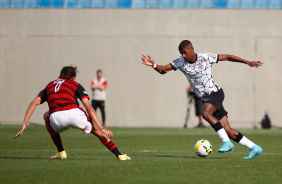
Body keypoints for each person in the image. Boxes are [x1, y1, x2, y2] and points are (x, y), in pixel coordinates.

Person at [141, 40, 263, 159]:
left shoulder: (205, 57)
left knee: (205, 113)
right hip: (206, 99)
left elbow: (228, 57)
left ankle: (227, 143)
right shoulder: (180, 61)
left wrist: (248, 62)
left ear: (192, 49)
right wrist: (154, 65)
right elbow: (164, 70)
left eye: (185, 52)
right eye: (181, 53)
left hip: (215, 93)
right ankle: (254, 147)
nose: (183, 55)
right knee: (227, 130)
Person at [15, 66, 130, 161]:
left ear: (60, 75)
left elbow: (33, 103)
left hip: (56, 119)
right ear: (73, 77)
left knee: (46, 115)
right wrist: (101, 127)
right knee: (97, 131)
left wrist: (24, 123)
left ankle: (61, 152)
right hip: (75, 115)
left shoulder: (49, 85)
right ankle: (119, 154)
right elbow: (88, 106)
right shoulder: (75, 84)